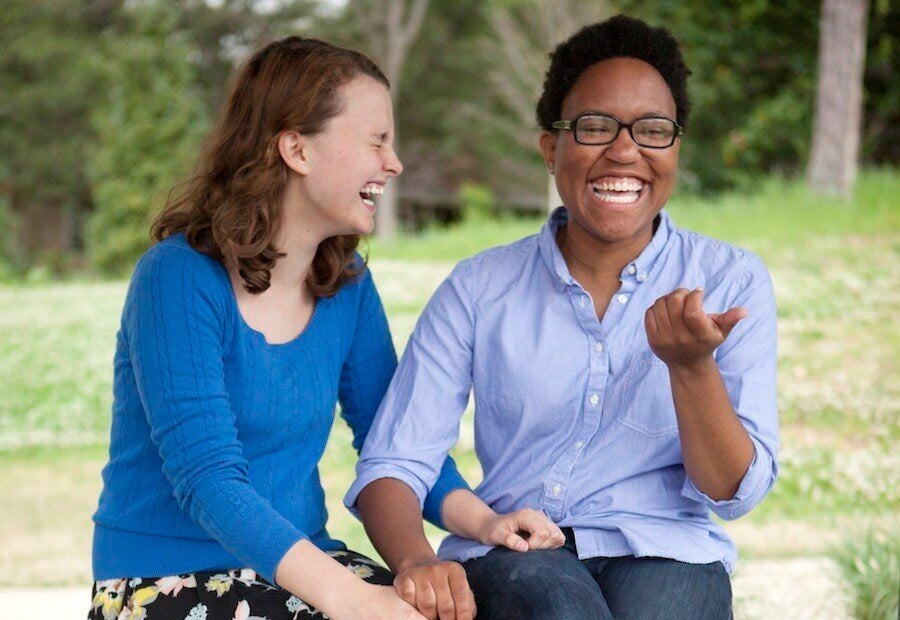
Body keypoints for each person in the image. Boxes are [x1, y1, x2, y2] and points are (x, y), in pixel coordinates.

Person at [346, 15, 779, 620]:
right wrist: (418, 562)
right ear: (552, 147)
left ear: (675, 148)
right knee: (555, 605)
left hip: (665, 549)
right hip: (513, 550)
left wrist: (691, 368)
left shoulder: (730, 279)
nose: (625, 150)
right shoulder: (479, 287)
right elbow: (395, 461)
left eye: (653, 130)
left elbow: (734, 493)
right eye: (595, 127)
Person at [88, 37, 473, 620]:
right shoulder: (176, 279)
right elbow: (208, 480)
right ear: (296, 148)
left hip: (299, 565)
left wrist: (486, 518)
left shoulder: (346, 282)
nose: (393, 163)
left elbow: (395, 439)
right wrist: (351, 599)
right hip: (164, 577)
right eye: (376, 141)